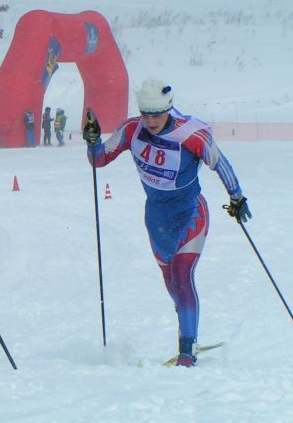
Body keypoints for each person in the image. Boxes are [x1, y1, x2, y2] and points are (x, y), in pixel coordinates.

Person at [83, 78, 251, 367]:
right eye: (146, 113)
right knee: (172, 282)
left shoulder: (191, 133)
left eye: (157, 114)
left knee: (183, 274)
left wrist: (237, 197)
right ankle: (188, 327)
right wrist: (93, 140)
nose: (150, 121)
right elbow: (98, 160)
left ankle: (187, 350)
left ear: (169, 109)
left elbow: (219, 162)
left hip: (189, 213)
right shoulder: (131, 129)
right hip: (156, 218)